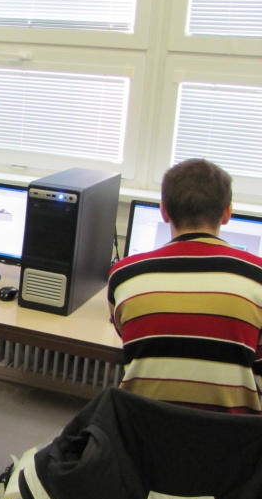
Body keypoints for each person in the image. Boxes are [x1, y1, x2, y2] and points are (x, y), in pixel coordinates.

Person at [108, 158, 262, 414]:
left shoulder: (123, 274)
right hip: (231, 434)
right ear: (227, 213)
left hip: (142, 429)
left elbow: (132, 340)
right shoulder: (257, 275)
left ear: (164, 211)